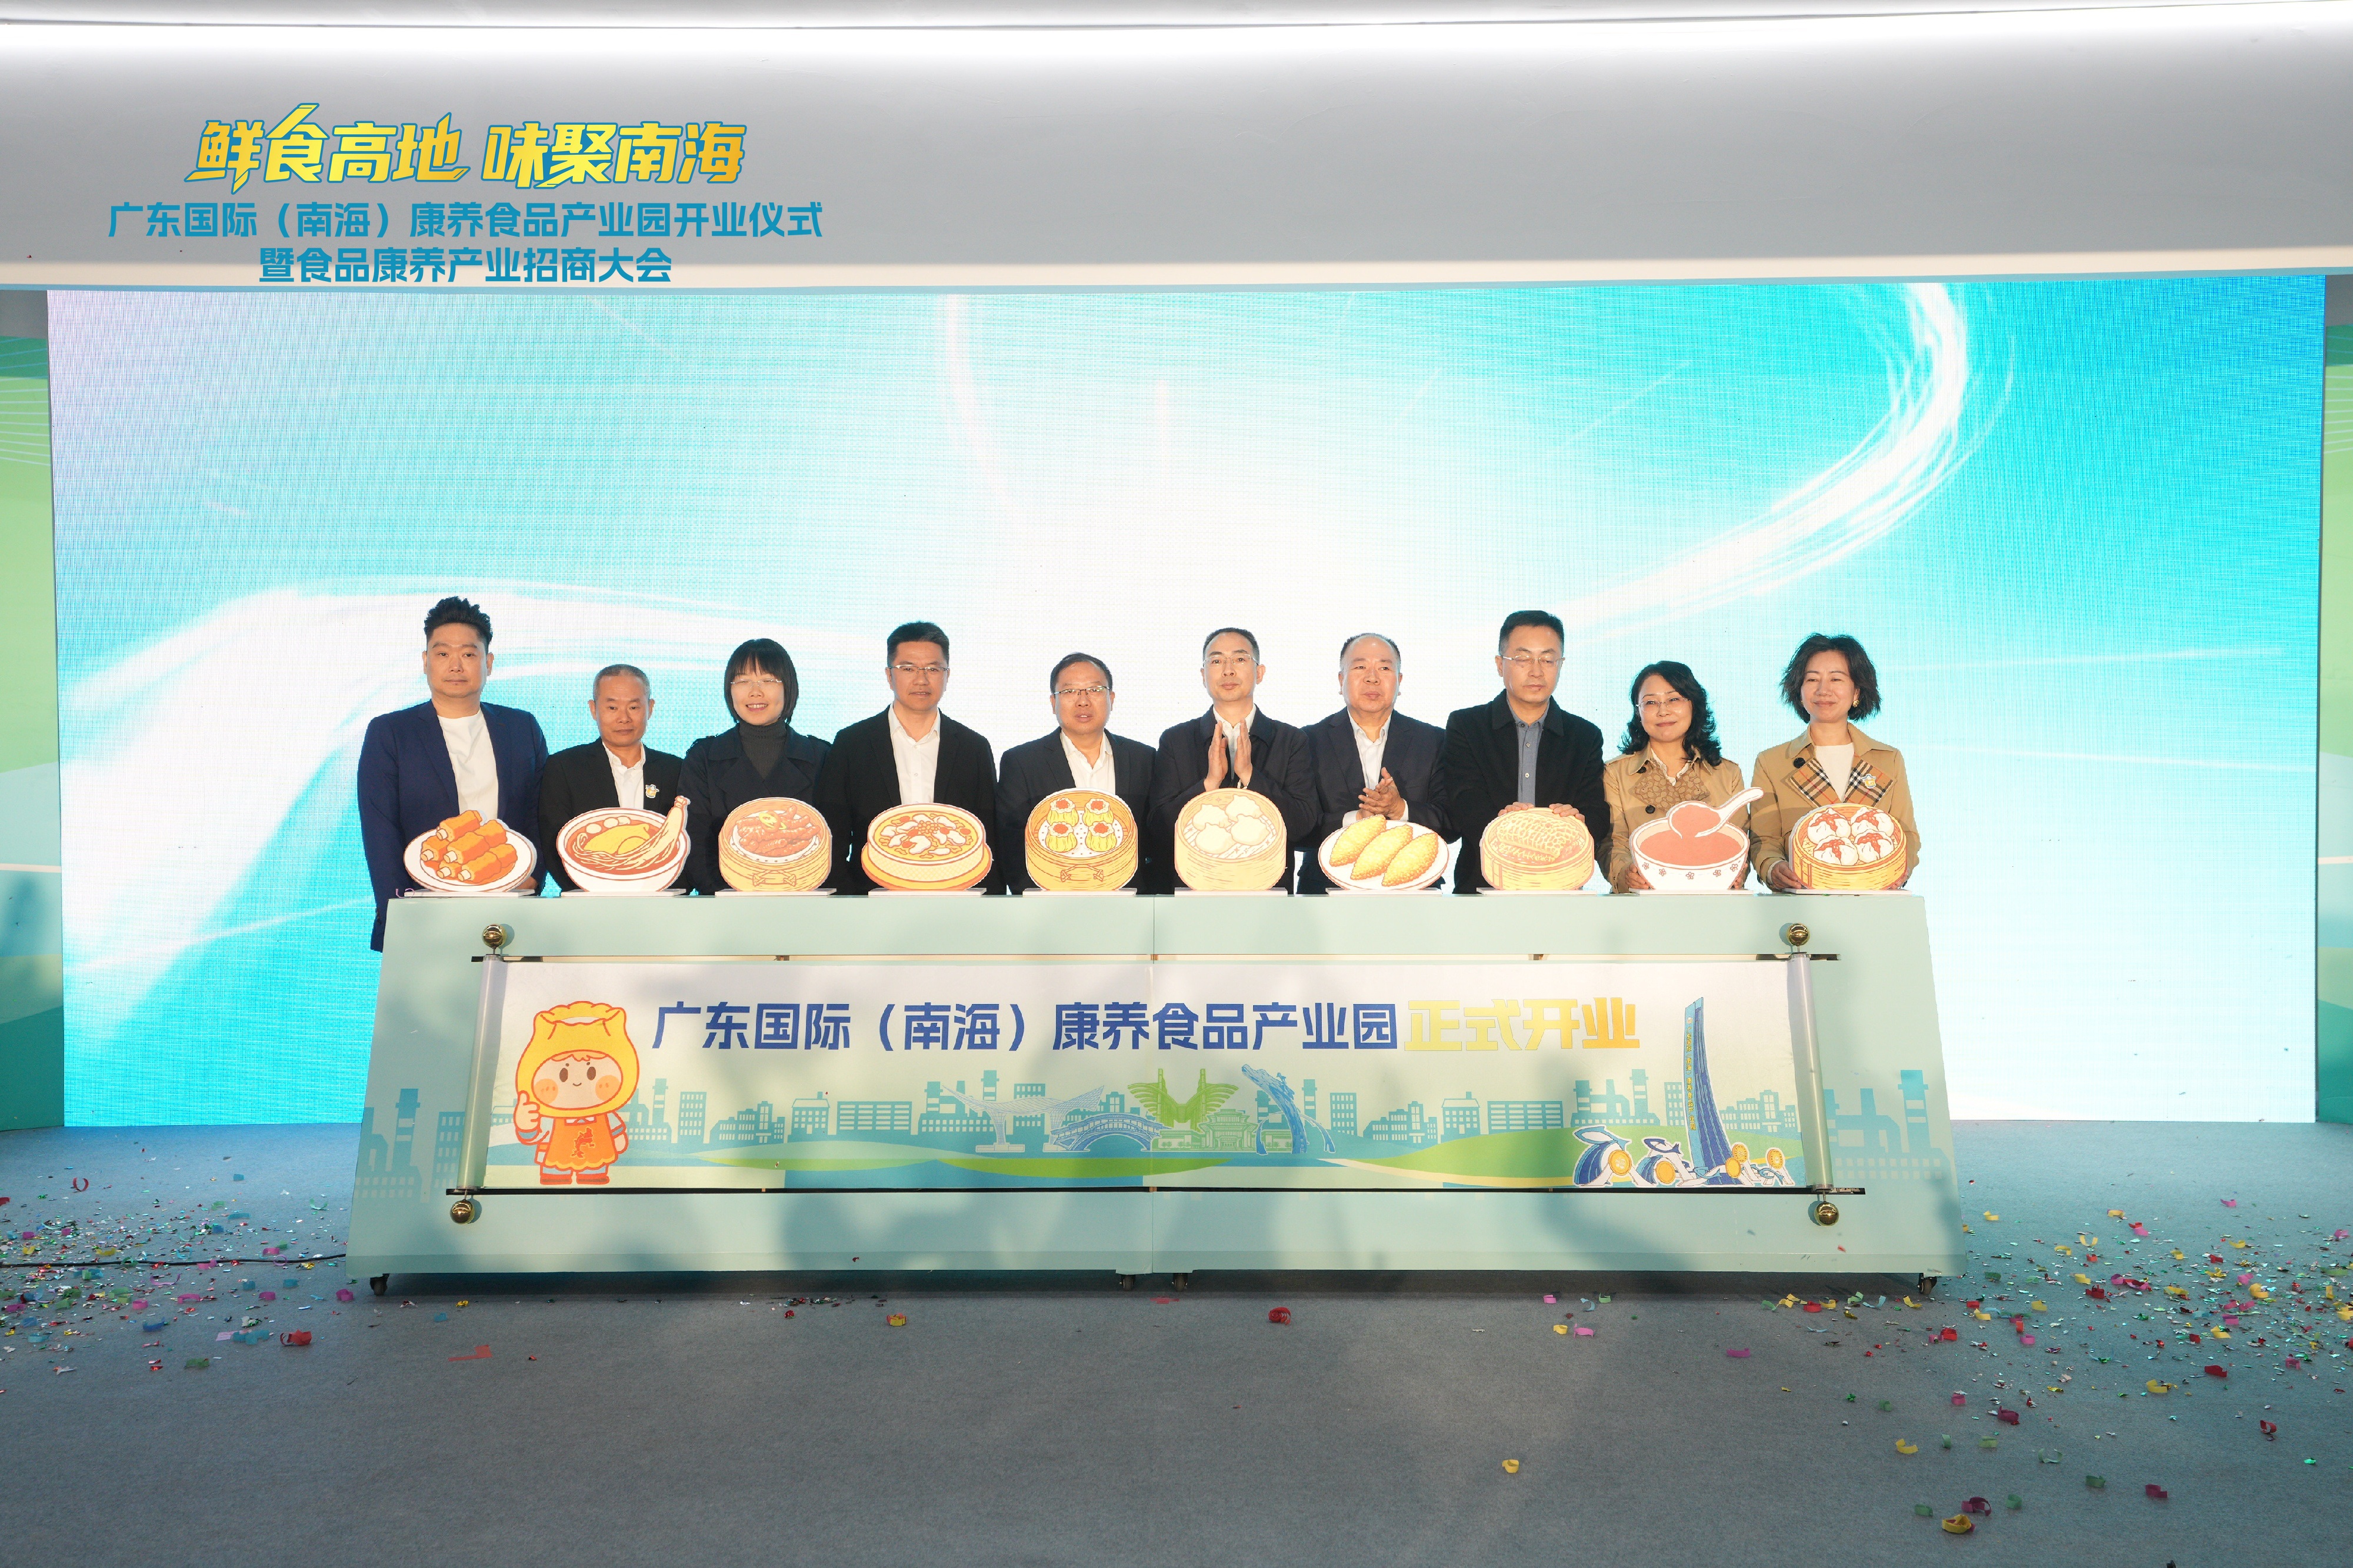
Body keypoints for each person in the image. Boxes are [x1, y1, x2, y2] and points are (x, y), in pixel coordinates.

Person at [356, 596, 549, 949]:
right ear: (425, 662)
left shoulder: (521, 728)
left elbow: (540, 811)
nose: (456, 665)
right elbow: (380, 831)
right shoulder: (391, 733)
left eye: (469, 654)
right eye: (443, 653)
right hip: (426, 913)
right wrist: (402, 915)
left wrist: (533, 877)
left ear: (488, 663)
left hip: (511, 906)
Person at [814, 620, 1000, 893]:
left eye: (933, 669)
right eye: (908, 668)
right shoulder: (851, 743)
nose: (921, 680)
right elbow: (833, 835)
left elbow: (988, 839)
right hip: (872, 898)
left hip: (956, 899)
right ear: (889, 676)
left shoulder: (974, 748)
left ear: (947, 676)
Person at [1439, 609, 1610, 894]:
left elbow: (1597, 813)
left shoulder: (1585, 735)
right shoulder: (1467, 725)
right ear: (1500, 665)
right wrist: (1506, 829)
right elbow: (1463, 804)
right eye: (1522, 659)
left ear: (1561, 664)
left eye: (1548, 659)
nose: (1536, 671)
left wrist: (1579, 823)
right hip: (1482, 886)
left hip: (1561, 889)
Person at [1146, 627, 1319, 892]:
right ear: (1204, 676)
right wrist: (1208, 784)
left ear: (1259, 673)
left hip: (1268, 893)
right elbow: (1159, 829)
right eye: (1216, 661)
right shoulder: (1176, 740)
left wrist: (1251, 776)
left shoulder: (1291, 740)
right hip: (1191, 893)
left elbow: (1303, 826)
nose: (1228, 670)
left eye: (1240, 659)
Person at [1750, 632, 1921, 889]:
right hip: (1804, 900)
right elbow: (1764, 839)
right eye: (1812, 679)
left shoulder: (1888, 759)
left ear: (1857, 691)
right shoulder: (1772, 762)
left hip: (1873, 898)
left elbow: (1905, 834)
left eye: (1836, 679)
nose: (1823, 690)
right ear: (1799, 692)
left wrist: (1897, 872)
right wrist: (1774, 868)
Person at [1299, 633, 1454, 893]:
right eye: (1360, 667)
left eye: (1384, 668)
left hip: (1414, 891)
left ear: (1399, 681)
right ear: (1341, 680)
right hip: (1326, 892)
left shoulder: (1435, 741)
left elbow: (1452, 822)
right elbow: (1298, 828)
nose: (1372, 677)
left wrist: (1400, 809)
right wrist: (1357, 819)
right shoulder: (1307, 741)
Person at [996, 652, 1161, 893]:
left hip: (1131, 901)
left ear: (1111, 699)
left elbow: (1157, 841)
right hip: (1051, 904)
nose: (1083, 701)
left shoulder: (1144, 759)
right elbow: (1011, 848)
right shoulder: (1021, 762)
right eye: (1070, 691)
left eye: (1095, 690)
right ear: (1054, 703)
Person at [677, 638, 829, 895]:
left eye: (768, 680)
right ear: (730, 690)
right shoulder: (704, 757)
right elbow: (694, 840)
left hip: (805, 901)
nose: (755, 692)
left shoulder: (820, 756)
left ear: (788, 687)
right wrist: (727, 895)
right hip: (725, 901)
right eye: (743, 681)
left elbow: (833, 839)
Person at [1601, 660, 1749, 892]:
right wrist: (1627, 874)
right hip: (1643, 899)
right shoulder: (1615, 773)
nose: (1663, 711)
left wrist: (1737, 873)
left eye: (1674, 699)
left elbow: (1739, 842)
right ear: (1638, 712)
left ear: (1694, 705)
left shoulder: (1727, 773)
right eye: (1650, 702)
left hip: (1710, 898)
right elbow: (1613, 842)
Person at [535, 664, 684, 891]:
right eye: (612, 707)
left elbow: (688, 841)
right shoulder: (564, 767)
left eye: (634, 707)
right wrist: (589, 894)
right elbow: (554, 843)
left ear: (650, 708)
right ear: (594, 709)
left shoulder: (676, 769)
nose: (624, 718)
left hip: (663, 901)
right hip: (590, 902)